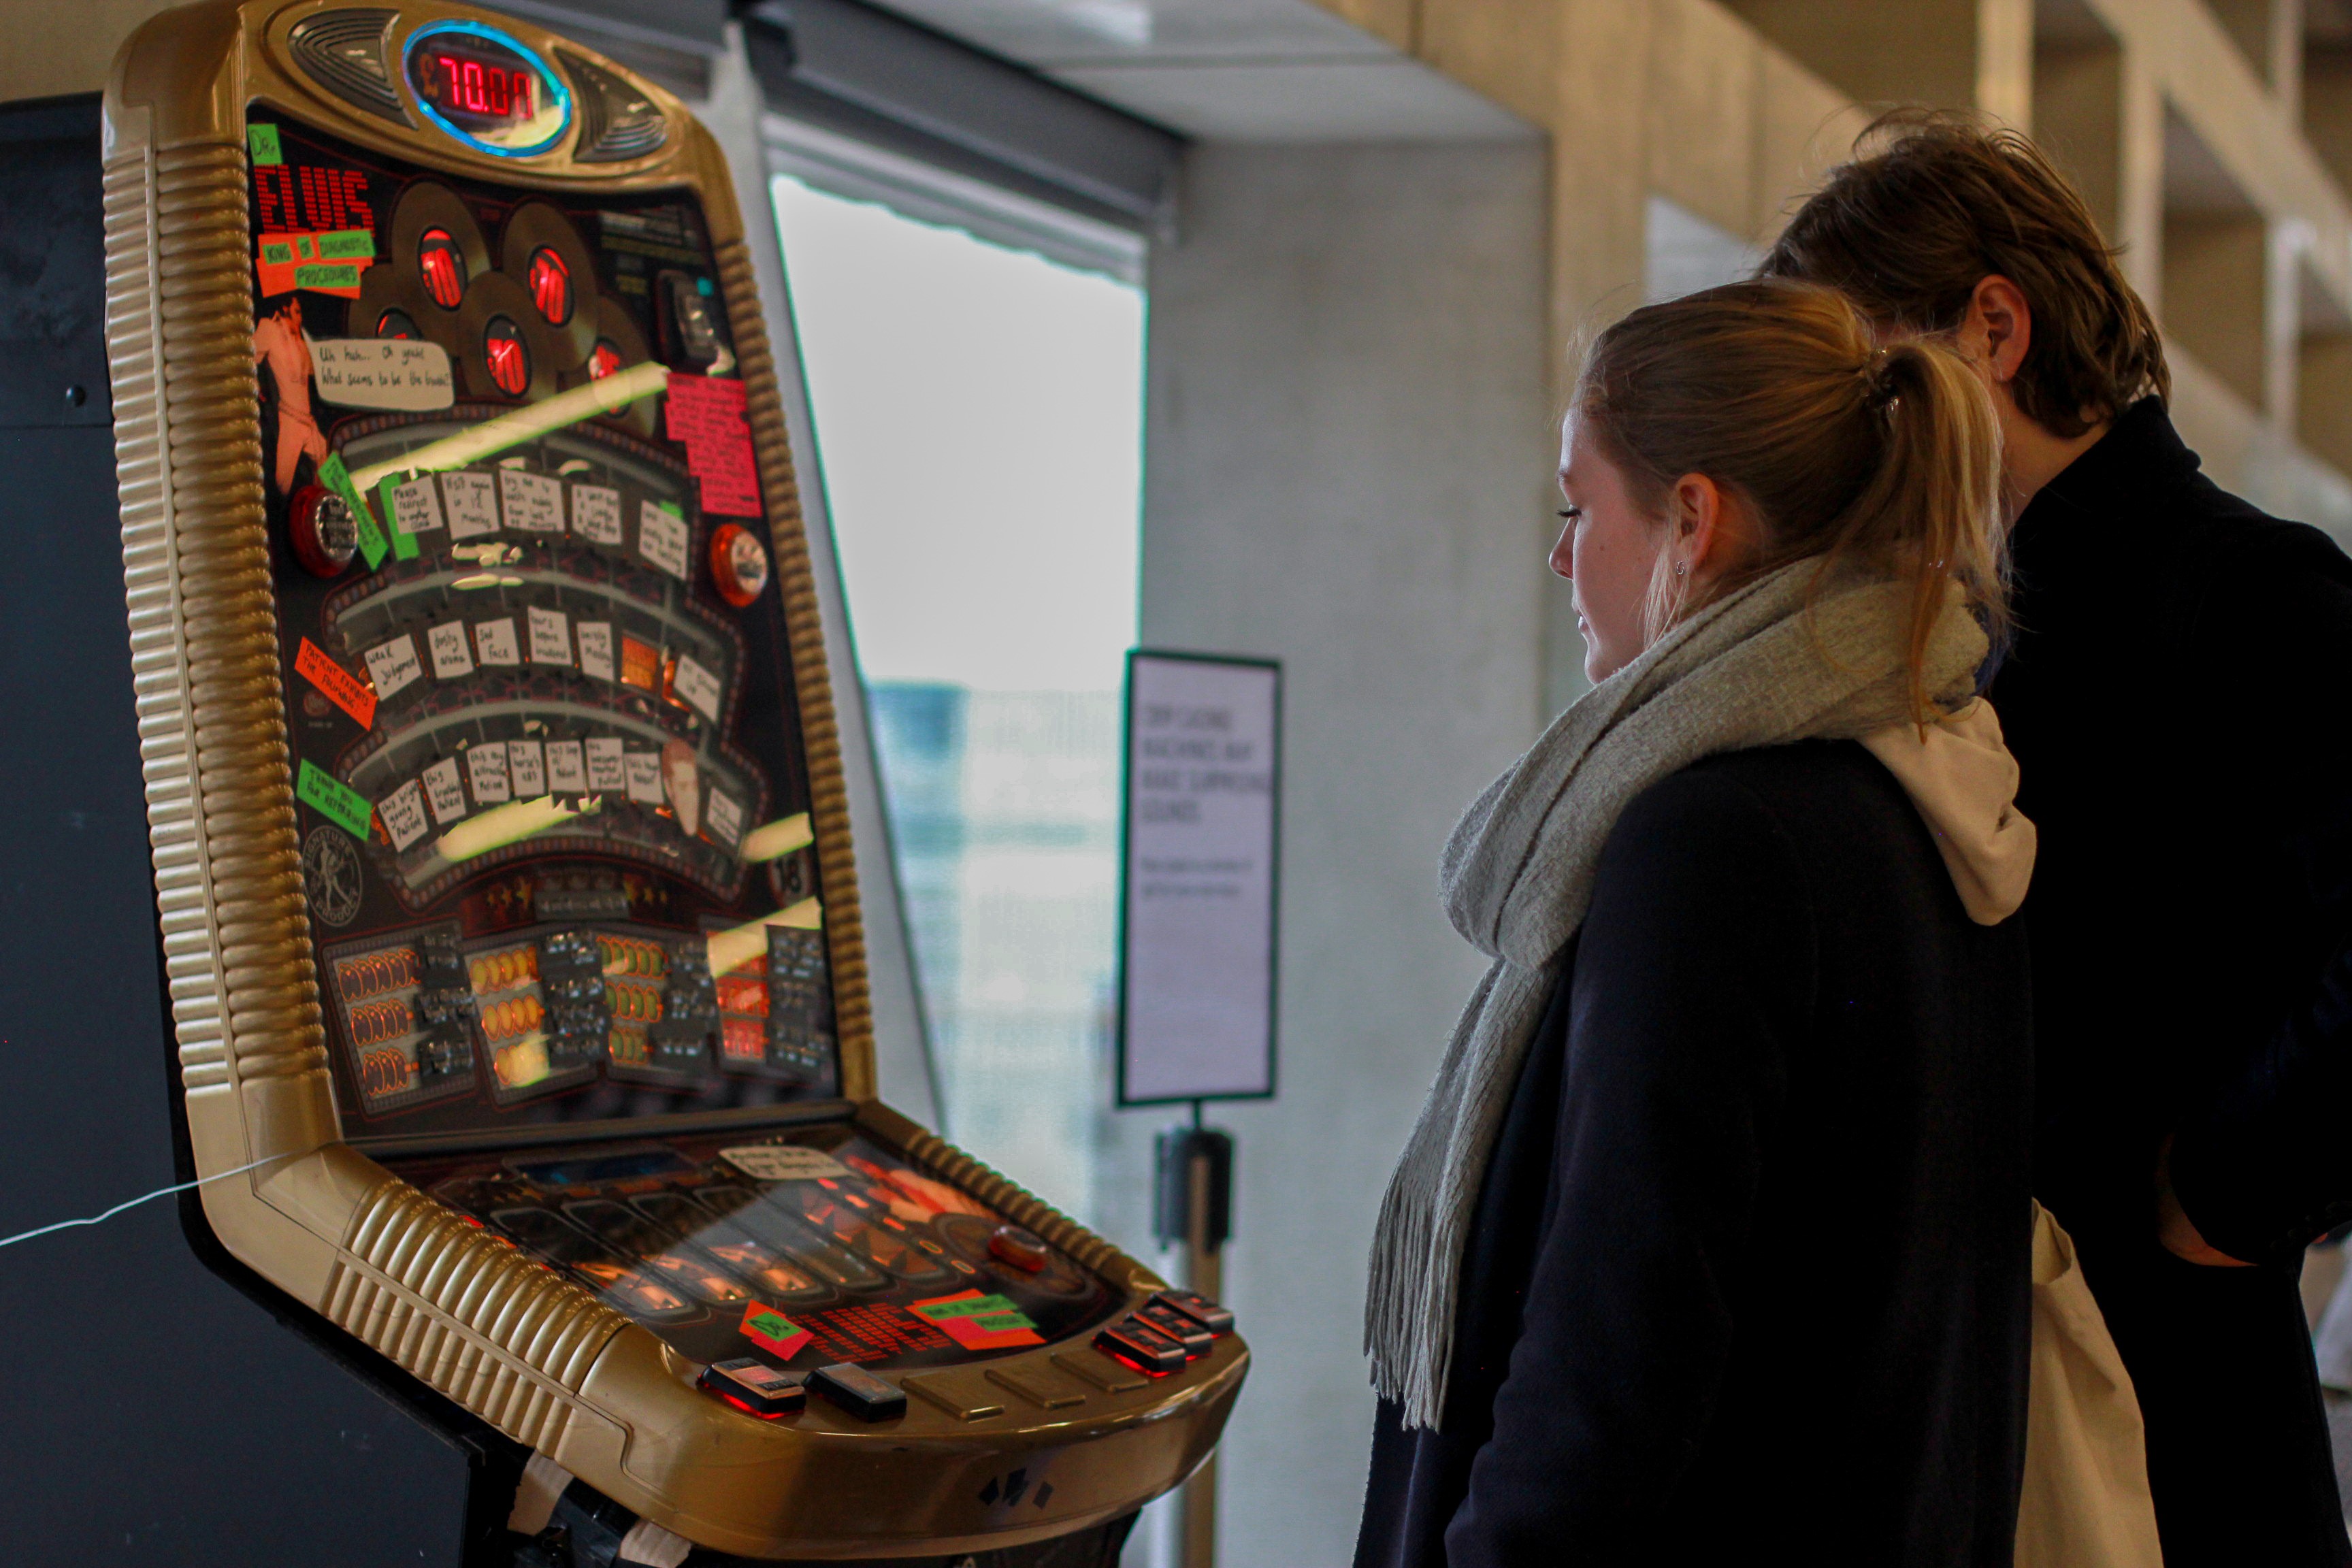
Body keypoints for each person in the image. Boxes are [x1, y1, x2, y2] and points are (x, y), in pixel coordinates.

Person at [1355, 279, 2040, 1566]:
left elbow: (1620, 1348)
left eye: (1578, 506)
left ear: (1693, 521)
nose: (1562, 555)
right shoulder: (1931, 785)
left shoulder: (1712, 841)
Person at [1763, 112, 2352, 1567]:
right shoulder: (1952, 622)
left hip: (2172, 1371)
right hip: (1983, 1369)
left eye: (1866, 379)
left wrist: (2219, 1199)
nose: (1849, 436)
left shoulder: (2259, 590)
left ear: (1996, 329)